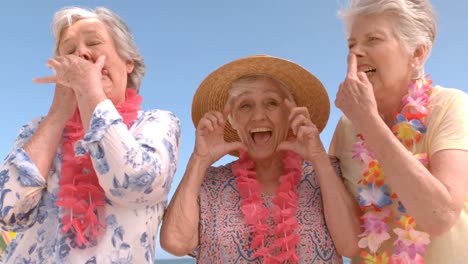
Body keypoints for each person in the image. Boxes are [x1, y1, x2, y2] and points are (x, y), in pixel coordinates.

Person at [0, 6, 181, 263]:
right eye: (69, 51)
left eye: (93, 43)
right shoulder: (35, 129)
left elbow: (133, 184)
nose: (81, 54)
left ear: (128, 62)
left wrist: (91, 93)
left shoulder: (157, 122)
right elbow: (8, 213)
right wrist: (57, 114)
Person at [160, 55, 361, 263]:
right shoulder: (208, 182)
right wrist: (199, 160)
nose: (258, 116)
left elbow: (351, 245)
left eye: (271, 103)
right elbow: (175, 243)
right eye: (245, 106)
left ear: (289, 115)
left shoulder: (325, 172)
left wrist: (318, 157)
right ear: (233, 121)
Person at [330, 0, 468, 263]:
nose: (355, 53)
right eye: (351, 44)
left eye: (373, 39)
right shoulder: (347, 127)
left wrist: (368, 121)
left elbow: (439, 217)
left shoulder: (452, 105)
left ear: (417, 53)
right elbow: (348, 244)